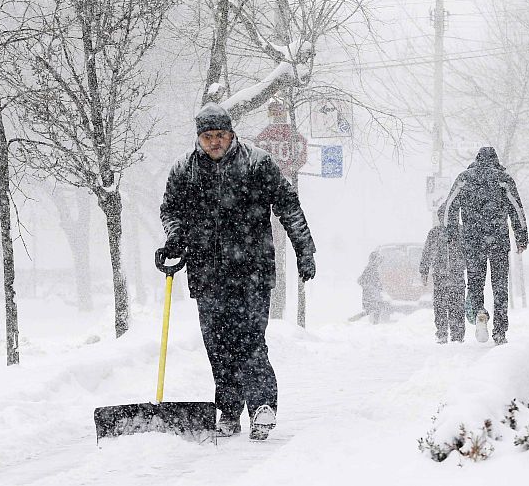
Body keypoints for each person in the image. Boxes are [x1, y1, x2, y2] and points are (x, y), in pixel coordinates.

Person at [158, 102, 316, 441]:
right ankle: (228, 409)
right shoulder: (184, 170)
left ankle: (262, 406)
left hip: (252, 270)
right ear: (199, 138)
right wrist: (175, 239)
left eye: (221, 135)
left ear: (232, 134)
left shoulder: (257, 163)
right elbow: (170, 211)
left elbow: (288, 206)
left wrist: (305, 249)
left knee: (250, 340)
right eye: (208, 136)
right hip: (206, 273)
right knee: (218, 345)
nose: (215, 142)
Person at [442, 146, 528, 345]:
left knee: (475, 283)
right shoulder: (503, 179)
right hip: (498, 241)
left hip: (472, 241)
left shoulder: (464, 178)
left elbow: (450, 207)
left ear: (477, 159)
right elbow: (517, 209)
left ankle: (480, 311)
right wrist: (521, 237)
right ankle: (500, 330)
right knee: (500, 286)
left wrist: (451, 234)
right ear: (495, 160)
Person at [420, 203, 466, 344]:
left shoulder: (460, 232)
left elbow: (469, 252)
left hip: (456, 275)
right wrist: (424, 270)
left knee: (457, 306)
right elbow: (427, 252)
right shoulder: (435, 233)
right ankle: (442, 333)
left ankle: (457, 334)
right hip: (441, 276)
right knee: (441, 306)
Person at [353, 251, 388, 324]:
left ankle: (372, 322)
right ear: (374, 260)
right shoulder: (371, 269)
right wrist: (375, 286)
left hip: (372, 294)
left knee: (373, 310)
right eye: (378, 260)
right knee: (376, 309)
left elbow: (364, 281)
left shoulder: (372, 269)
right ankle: (374, 324)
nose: (379, 262)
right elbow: (362, 281)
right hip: (371, 295)